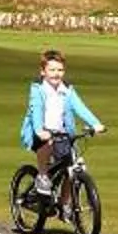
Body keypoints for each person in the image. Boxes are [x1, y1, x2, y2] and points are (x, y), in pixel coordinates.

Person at [18, 48, 104, 204]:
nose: (56, 74)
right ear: (43, 71)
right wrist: (39, 130)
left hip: (62, 134)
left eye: (60, 70)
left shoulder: (67, 90)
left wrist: (95, 123)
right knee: (46, 144)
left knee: (75, 167)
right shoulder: (38, 89)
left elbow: (80, 107)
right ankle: (43, 175)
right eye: (52, 70)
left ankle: (65, 204)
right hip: (40, 132)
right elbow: (36, 109)